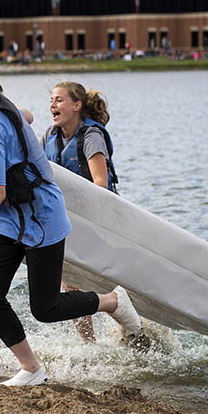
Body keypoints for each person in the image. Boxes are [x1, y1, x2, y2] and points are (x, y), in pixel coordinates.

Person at [0, 54, 142, 387]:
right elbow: (25, 116)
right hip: (8, 221)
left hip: (40, 220)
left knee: (46, 308)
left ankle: (113, 301)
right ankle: (32, 369)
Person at [43, 82, 121, 342]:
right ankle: (89, 344)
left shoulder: (91, 136)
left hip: (99, 220)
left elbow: (101, 183)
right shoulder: (49, 136)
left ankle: (134, 329)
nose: (52, 105)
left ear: (77, 106)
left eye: (59, 100)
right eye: (51, 100)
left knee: (105, 280)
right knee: (69, 283)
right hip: (66, 220)